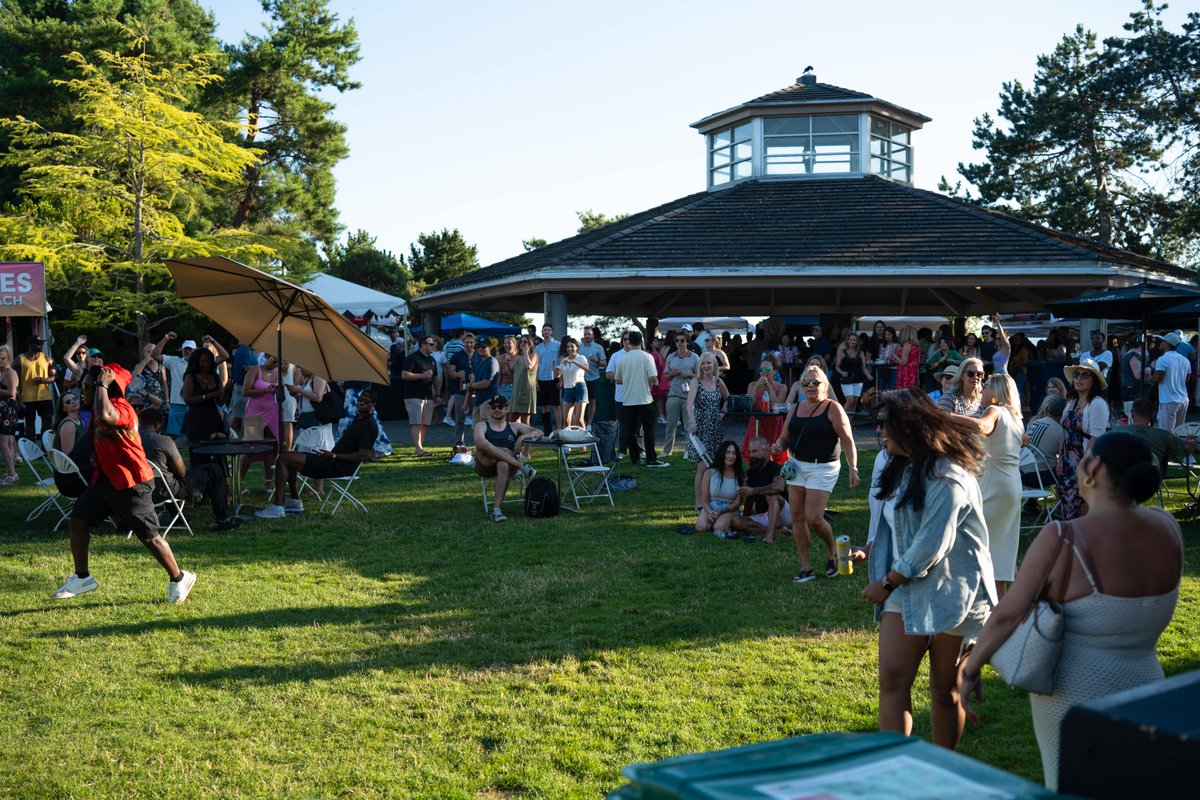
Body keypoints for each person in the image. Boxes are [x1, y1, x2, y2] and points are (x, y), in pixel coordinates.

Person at [959, 432, 1180, 789]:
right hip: (1148, 686)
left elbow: (1006, 614)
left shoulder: (1063, 537)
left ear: (1094, 467)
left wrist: (971, 670)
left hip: (1075, 695)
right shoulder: (1168, 528)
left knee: (1070, 786)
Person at [862, 388, 996, 750]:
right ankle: (894, 768)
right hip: (905, 586)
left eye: (886, 426)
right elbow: (898, 526)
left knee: (944, 690)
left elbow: (932, 544)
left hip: (954, 591)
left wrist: (888, 582)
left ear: (909, 428)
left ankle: (942, 771)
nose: (881, 433)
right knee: (892, 679)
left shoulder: (948, 476)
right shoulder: (900, 465)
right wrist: (871, 551)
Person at [52, 363, 197, 603]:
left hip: (132, 481)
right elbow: (100, 436)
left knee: (149, 536)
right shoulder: (98, 410)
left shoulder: (122, 408)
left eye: (87, 387)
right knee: (78, 521)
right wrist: (97, 455)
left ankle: (180, 578)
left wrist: (101, 384)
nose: (83, 392)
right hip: (105, 480)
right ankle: (82, 577)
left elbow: (107, 417)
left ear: (105, 388)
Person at [771, 365, 859, 584]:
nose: (810, 387)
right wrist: (778, 446)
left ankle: (832, 552)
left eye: (815, 383)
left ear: (825, 385)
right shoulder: (796, 408)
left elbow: (847, 440)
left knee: (814, 518)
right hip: (798, 466)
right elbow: (784, 437)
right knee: (797, 518)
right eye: (806, 383)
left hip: (824, 467)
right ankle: (806, 566)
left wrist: (853, 468)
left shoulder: (833, 408)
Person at [256, 389, 382, 519]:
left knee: (283, 458)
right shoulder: (359, 419)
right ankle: (294, 502)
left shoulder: (369, 425)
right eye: (360, 399)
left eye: (366, 402)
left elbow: (363, 455)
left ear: (373, 405)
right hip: (330, 461)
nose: (362, 403)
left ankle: (277, 507)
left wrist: (333, 456)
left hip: (336, 467)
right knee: (288, 458)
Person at [957, 373, 1024, 596]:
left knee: (970, 539)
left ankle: (973, 601)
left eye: (986, 387)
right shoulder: (1016, 416)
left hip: (995, 483)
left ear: (996, 393)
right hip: (1012, 485)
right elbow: (1023, 441)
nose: (982, 390)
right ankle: (1000, 612)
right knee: (1000, 553)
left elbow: (981, 427)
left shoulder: (994, 411)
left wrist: (946, 416)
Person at [139, 408, 240, 531]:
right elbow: (182, 473)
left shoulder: (129, 442)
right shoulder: (164, 441)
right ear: (158, 425)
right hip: (166, 490)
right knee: (214, 470)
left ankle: (176, 516)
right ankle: (223, 519)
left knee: (166, 477)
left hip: (141, 490)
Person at [473, 395, 540, 522]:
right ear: (489, 410)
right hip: (485, 464)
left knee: (503, 464)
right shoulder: (481, 425)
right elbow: (480, 443)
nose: (496, 409)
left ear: (507, 409)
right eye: (493, 407)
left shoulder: (514, 426)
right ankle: (522, 467)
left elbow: (539, 432)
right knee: (485, 445)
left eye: (500, 407)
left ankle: (496, 511)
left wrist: (521, 438)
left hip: (508, 467)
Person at [1057, 358, 1110, 520]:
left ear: (1093, 380)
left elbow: (1096, 438)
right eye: (1076, 375)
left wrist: (1085, 465)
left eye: (1085, 375)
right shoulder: (1071, 402)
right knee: (1066, 502)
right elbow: (1064, 432)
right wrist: (1060, 459)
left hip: (1085, 460)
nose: (1079, 379)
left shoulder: (1097, 404)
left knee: (1082, 503)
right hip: (1067, 460)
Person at [614, 330, 666, 467]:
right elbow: (653, 378)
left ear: (628, 341)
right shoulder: (647, 357)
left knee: (630, 430)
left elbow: (618, 380)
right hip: (645, 399)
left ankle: (635, 458)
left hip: (628, 400)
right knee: (649, 430)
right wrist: (653, 383)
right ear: (641, 341)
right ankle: (651, 459)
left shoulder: (623, 358)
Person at [686, 352, 730, 505]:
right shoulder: (695, 381)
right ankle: (699, 502)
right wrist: (692, 422)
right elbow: (689, 404)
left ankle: (713, 498)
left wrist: (722, 413)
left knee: (716, 465)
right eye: (703, 363)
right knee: (702, 467)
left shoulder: (719, 382)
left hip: (715, 428)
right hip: (700, 427)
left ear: (714, 365)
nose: (706, 366)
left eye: (709, 363)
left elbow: (728, 400)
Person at [729, 436, 792, 542]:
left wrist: (754, 490)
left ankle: (770, 534)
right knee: (736, 521)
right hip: (764, 516)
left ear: (767, 451)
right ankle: (780, 531)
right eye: (750, 452)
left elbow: (778, 487)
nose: (751, 455)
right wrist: (746, 518)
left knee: (771, 495)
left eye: (755, 451)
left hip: (784, 514)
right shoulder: (751, 473)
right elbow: (749, 499)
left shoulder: (776, 468)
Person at [181, 337, 229, 460]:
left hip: (213, 418)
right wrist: (209, 395)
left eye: (208, 362)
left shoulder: (214, 375)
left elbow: (225, 356)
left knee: (217, 454)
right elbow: (188, 399)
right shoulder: (191, 377)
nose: (206, 364)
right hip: (196, 420)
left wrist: (227, 392)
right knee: (199, 455)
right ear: (196, 362)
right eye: (202, 362)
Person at [241, 352, 282, 492]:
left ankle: (268, 483)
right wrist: (264, 391)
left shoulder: (278, 373)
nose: (275, 363)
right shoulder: (255, 370)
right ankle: (239, 483)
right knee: (249, 449)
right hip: (255, 413)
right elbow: (245, 391)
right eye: (274, 360)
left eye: (278, 362)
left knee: (271, 448)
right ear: (267, 357)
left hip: (273, 413)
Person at [151, 333, 205, 438]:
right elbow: (155, 355)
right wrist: (166, 338)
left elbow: (224, 357)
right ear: (182, 350)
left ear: (196, 350)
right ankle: (169, 454)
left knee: (197, 434)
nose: (188, 351)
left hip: (196, 403)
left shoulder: (202, 364)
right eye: (186, 349)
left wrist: (212, 342)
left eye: (191, 349)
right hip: (177, 404)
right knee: (172, 435)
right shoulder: (174, 361)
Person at [1123, 397, 1195, 475]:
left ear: (1132, 413)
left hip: (1124, 476)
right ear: (1152, 414)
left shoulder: (1118, 432)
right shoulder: (1164, 435)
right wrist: (1191, 440)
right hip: (1152, 478)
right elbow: (1188, 447)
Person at [694, 440, 744, 536]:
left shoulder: (741, 476)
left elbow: (737, 503)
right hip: (711, 507)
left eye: (734, 453)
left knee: (719, 527)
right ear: (722, 454)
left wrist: (721, 512)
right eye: (728, 452)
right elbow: (704, 498)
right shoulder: (709, 472)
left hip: (729, 509)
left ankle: (723, 523)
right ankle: (712, 521)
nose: (731, 456)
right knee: (701, 527)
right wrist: (710, 512)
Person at [401, 335, 439, 456]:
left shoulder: (432, 360)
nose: (434, 346)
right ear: (423, 345)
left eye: (434, 344)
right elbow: (404, 375)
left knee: (424, 424)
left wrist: (437, 393)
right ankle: (418, 449)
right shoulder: (412, 358)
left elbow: (436, 378)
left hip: (428, 396)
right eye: (431, 344)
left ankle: (420, 448)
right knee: (416, 423)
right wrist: (422, 376)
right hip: (413, 395)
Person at [662, 331, 699, 457]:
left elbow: (700, 377)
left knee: (689, 425)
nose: (679, 343)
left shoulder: (694, 357)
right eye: (677, 340)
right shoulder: (671, 357)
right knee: (670, 425)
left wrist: (688, 374)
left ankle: (688, 451)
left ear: (687, 342)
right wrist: (671, 374)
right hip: (674, 394)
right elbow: (666, 377)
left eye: (682, 340)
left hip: (690, 396)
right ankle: (667, 451)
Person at [1021, 395, 1066, 496]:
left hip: (1021, 474)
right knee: (1065, 470)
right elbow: (1062, 458)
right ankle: (1060, 507)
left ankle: (1030, 505)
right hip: (1041, 477)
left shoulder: (1034, 423)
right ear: (1063, 414)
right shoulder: (1060, 432)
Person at [1151, 332, 1191, 431]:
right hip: (1183, 400)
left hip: (1169, 400)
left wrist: (1148, 375)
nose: (1160, 343)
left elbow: (1156, 378)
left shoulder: (1163, 359)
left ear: (1167, 344)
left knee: (1166, 433)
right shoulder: (1185, 360)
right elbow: (1187, 379)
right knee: (1179, 432)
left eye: (1162, 341)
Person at [17, 335, 55, 439]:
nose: (41, 345)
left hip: (44, 395)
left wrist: (43, 380)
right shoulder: (20, 359)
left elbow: (53, 377)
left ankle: (45, 448)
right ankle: (31, 449)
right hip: (27, 397)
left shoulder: (47, 358)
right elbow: (11, 372)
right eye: (38, 343)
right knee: (30, 422)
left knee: (47, 419)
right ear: (29, 345)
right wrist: (16, 389)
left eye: (41, 343)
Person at [554, 336, 590, 429]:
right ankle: (569, 440)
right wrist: (554, 368)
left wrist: (574, 362)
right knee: (566, 420)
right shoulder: (564, 360)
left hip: (580, 388)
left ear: (577, 347)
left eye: (572, 346)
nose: (569, 349)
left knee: (579, 419)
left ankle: (585, 440)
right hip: (568, 389)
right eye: (568, 347)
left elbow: (587, 368)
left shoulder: (581, 358)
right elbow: (557, 375)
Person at [833, 332, 871, 416]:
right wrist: (842, 372)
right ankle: (838, 419)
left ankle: (849, 424)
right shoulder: (842, 352)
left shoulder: (860, 352)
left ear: (857, 342)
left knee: (855, 403)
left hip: (858, 380)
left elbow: (863, 367)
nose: (852, 341)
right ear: (847, 341)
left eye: (854, 340)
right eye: (850, 340)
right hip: (846, 380)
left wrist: (868, 375)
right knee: (850, 400)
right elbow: (837, 366)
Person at [534, 324, 560, 433]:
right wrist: (535, 381)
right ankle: (547, 430)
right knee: (544, 406)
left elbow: (562, 363)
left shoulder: (558, 345)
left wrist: (561, 379)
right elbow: (535, 365)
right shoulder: (537, 348)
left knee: (556, 405)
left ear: (552, 332)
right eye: (545, 329)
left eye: (549, 329)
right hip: (541, 379)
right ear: (542, 332)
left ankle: (559, 430)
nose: (547, 331)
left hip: (554, 378)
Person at [578, 326, 606, 429]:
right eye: (585, 334)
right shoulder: (579, 347)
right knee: (580, 401)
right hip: (580, 379)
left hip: (593, 378)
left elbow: (604, 363)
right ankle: (582, 422)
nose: (587, 336)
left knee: (592, 401)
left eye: (589, 334)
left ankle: (589, 423)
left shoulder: (598, 347)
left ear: (593, 336)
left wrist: (596, 361)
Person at [510, 333, 538, 432]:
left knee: (525, 422)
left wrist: (526, 352)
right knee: (512, 420)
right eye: (521, 342)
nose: (522, 343)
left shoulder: (533, 355)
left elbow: (529, 366)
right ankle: (514, 446)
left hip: (527, 391)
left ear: (530, 344)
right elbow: (511, 370)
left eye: (525, 342)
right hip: (516, 391)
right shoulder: (517, 356)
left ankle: (526, 447)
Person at [0, 346, 20, 486]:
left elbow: (12, 393)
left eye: (3, 358)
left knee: (3, 442)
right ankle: (10, 473)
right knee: (7, 442)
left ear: (8, 358)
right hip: (4, 409)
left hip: (9, 408)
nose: (0, 361)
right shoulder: (2, 372)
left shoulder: (10, 373)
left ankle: (12, 474)